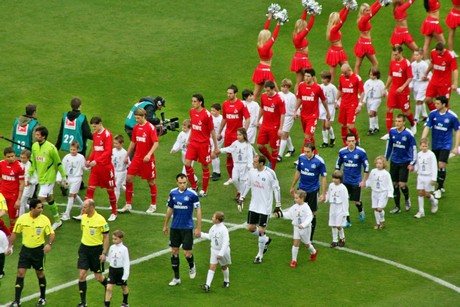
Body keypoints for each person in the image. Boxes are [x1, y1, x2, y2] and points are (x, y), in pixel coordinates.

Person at [6, 198, 55, 307]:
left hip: (38, 251)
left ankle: (42, 298)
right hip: (26, 250)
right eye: (38, 208)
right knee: (20, 273)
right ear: (32, 208)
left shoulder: (44, 220)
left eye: (42, 207)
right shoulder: (22, 219)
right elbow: (15, 233)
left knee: (40, 273)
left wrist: (49, 244)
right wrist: (10, 246)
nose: (41, 209)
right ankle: (17, 301)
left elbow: (51, 234)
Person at [239, 155, 281, 264]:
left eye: (255, 162)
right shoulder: (252, 172)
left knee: (261, 230)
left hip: (265, 207)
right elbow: (248, 185)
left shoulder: (270, 173)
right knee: (250, 227)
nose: (253, 163)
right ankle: (266, 240)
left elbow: (276, 188)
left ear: (261, 163)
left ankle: (260, 255)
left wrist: (278, 204)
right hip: (254, 205)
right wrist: (242, 197)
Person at [163, 173, 202, 286]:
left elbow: (198, 211)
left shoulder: (192, 194)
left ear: (187, 182)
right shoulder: (173, 193)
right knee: (174, 252)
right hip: (175, 227)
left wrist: (198, 228)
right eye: (180, 183)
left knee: (187, 253)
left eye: (184, 183)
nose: (182, 185)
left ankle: (191, 265)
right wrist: (165, 225)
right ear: (177, 183)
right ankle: (176, 278)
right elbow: (170, 209)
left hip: (187, 228)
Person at [118, 108, 159, 215]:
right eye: (135, 118)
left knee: (151, 182)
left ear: (144, 116)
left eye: (138, 118)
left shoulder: (150, 128)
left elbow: (156, 143)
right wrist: (127, 156)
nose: (136, 120)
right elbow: (133, 142)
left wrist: (149, 155)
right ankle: (128, 204)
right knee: (129, 179)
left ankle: (153, 205)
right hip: (137, 158)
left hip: (148, 160)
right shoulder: (136, 128)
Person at [76, 117, 117, 222]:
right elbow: (95, 150)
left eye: (95, 126)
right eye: (92, 126)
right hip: (96, 169)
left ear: (100, 124)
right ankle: (83, 213)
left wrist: (97, 161)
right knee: (90, 190)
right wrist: (89, 160)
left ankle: (114, 212)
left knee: (110, 191)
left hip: (106, 168)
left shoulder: (107, 134)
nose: (94, 128)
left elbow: (107, 152)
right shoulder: (95, 134)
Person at [421, 96, 460, 199]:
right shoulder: (433, 114)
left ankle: (438, 189)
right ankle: (441, 185)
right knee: (435, 165)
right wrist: (422, 139)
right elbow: (427, 126)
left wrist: (456, 146)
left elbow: (457, 131)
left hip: (446, 144)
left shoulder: (452, 116)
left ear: (443, 104)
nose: (435, 105)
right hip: (435, 144)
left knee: (441, 164)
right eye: (435, 103)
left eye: (438, 103)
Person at [28, 126, 66, 230]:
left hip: (49, 178)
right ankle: (58, 220)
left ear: (43, 136)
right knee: (49, 198)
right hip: (41, 178)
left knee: (38, 202)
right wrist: (29, 174)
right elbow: (33, 161)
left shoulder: (51, 148)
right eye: (36, 134)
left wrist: (64, 176)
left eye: (38, 135)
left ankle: (36, 222)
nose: (36, 136)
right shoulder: (35, 146)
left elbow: (58, 163)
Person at [289, 142, 327, 241]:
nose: (306, 153)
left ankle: (310, 238)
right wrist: (292, 186)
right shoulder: (301, 158)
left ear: (313, 151)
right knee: (298, 209)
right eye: (305, 151)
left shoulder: (319, 161)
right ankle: (299, 232)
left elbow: (323, 177)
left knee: (312, 213)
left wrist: (323, 193)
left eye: (308, 152)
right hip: (301, 189)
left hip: (313, 190)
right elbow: (298, 172)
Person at [184, 94, 219, 197]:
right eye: (192, 101)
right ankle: (194, 186)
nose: (193, 103)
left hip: (203, 144)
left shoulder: (207, 115)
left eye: (195, 101)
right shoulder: (192, 112)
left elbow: (212, 131)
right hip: (193, 143)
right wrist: (189, 140)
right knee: (187, 163)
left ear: (200, 103)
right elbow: (194, 128)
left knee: (204, 166)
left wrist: (216, 146)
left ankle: (204, 190)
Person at [77, 199, 110, 307]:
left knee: (98, 277)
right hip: (84, 249)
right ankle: (83, 302)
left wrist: (104, 253)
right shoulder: (84, 217)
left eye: (85, 207)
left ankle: (108, 285)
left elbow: (106, 237)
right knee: (82, 275)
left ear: (91, 207)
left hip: (96, 250)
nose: (83, 209)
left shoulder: (101, 220)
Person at [273, 189, 318, 267]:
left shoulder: (306, 207)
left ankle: (314, 252)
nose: (295, 199)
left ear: (302, 198)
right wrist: (281, 215)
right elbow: (289, 214)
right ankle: (294, 260)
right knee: (295, 243)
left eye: (296, 198)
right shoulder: (294, 207)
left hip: (305, 229)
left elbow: (310, 217)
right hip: (296, 227)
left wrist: (303, 225)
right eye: (295, 198)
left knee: (307, 244)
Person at [385, 114, 417, 213]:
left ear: (404, 122)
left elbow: (414, 149)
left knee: (402, 184)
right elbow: (389, 146)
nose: (397, 123)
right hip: (394, 161)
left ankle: (407, 199)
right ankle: (397, 207)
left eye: (399, 121)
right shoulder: (392, 131)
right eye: (396, 121)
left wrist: (412, 163)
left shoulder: (408, 134)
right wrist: (385, 158)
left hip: (404, 162)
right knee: (394, 184)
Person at [218, 85, 250, 185]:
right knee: (228, 155)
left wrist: (244, 131)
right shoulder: (225, 104)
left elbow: (248, 118)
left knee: (240, 156)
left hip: (238, 136)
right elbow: (224, 118)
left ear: (235, 93)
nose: (229, 95)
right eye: (228, 93)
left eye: (231, 93)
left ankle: (243, 177)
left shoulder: (241, 104)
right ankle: (231, 177)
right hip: (228, 134)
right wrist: (219, 132)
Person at [382, 45, 416, 140]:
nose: (394, 56)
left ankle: (413, 124)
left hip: (403, 91)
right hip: (394, 89)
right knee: (389, 109)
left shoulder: (406, 63)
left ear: (401, 53)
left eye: (396, 54)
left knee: (405, 112)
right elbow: (390, 76)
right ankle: (390, 133)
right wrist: (385, 88)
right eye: (393, 54)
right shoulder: (392, 63)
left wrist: (402, 87)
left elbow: (410, 77)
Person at [335, 133, 370, 226]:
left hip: (356, 181)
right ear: (346, 142)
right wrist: (337, 177)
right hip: (344, 181)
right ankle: (347, 221)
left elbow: (366, 166)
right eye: (349, 141)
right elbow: (337, 165)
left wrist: (363, 181)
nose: (351, 143)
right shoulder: (342, 152)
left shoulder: (361, 152)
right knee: (344, 201)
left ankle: (360, 210)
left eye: (352, 141)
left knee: (356, 201)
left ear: (355, 141)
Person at [219, 128, 255, 205]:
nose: (238, 136)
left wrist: (250, 166)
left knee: (242, 180)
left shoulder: (247, 145)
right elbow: (229, 149)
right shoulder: (235, 143)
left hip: (244, 165)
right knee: (234, 179)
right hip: (236, 164)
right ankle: (240, 191)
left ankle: (241, 197)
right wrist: (220, 150)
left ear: (244, 135)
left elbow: (250, 156)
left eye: (240, 135)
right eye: (237, 135)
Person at [295, 69, 329, 150]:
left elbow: (323, 100)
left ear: (313, 77)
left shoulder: (317, 88)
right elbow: (300, 99)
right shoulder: (301, 85)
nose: (306, 78)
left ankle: (303, 156)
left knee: (307, 136)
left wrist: (328, 112)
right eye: (305, 76)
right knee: (309, 136)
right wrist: (295, 111)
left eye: (308, 76)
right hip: (303, 115)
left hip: (313, 116)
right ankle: (315, 153)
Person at [257, 80, 286, 170]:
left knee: (274, 148)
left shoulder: (279, 99)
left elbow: (282, 114)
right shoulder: (263, 96)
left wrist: (280, 128)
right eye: (266, 90)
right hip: (265, 125)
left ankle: (271, 170)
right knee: (259, 145)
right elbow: (262, 108)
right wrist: (258, 120)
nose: (267, 92)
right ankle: (270, 160)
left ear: (273, 89)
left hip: (274, 127)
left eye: (269, 90)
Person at [252, 12, 281, 102]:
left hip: (259, 69)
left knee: (255, 95)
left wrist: (269, 18)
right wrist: (278, 23)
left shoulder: (259, 45)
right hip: (266, 71)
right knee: (277, 92)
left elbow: (264, 30)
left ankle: (252, 111)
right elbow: (274, 36)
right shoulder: (266, 47)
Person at [200, 211, 231, 292]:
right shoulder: (213, 227)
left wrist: (221, 253)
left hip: (223, 251)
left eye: (213, 217)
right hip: (214, 250)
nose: (212, 218)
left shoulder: (224, 229)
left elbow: (226, 242)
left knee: (224, 266)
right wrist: (200, 234)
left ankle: (226, 281)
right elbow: (209, 236)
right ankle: (207, 285)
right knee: (212, 267)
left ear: (217, 219)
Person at [423, 42, 458, 111]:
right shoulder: (433, 52)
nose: (440, 54)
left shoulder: (450, 56)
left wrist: (455, 83)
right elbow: (432, 64)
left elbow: (455, 70)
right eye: (438, 53)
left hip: (445, 83)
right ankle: (436, 114)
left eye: (441, 52)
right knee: (428, 99)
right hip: (434, 81)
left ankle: (447, 118)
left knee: (444, 104)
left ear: (443, 49)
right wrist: (426, 74)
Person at [335, 64, 364, 146]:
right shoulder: (341, 77)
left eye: (345, 73)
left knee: (350, 126)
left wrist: (360, 105)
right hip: (343, 104)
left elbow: (362, 92)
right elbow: (340, 90)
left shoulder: (357, 78)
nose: (344, 75)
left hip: (352, 105)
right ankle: (345, 144)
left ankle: (357, 139)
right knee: (343, 125)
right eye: (343, 73)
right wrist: (336, 101)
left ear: (349, 70)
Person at [58, 141, 86, 221]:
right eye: (71, 149)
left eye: (74, 150)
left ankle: (67, 214)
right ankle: (83, 205)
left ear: (78, 149)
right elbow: (62, 168)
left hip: (77, 178)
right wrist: (60, 178)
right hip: (69, 178)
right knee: (74, 194)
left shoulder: (81, 157)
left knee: (71, 195)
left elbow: (84, 167)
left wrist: (88, 166)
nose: (72, 151)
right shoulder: (67, 157)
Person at [354, 1, 383, 75]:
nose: (368, 11)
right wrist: (380, 4)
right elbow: (372, 14)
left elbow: (371, 9)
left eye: (368, 10)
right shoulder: (363, 20)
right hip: (366, 44)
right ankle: (373, 77)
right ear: (362, 11)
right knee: (375, 63)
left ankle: (356, 81)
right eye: (366, 10)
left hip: (361, 43)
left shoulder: (362, 18)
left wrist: (378, 1)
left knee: (357, 65)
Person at [0, 147, 25, 231]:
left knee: (12, 218)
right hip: (2, 194)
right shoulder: (1, 164)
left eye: (12, 156)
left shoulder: (20, 166)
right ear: (5, 157)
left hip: (13, 196)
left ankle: (11, 236)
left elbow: (22, 183)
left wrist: (19, 199)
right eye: (8, 157)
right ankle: (6, 232)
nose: (11, 158)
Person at [366, 156, 394, 229]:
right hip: (374, 192)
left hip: (383, 192)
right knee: (375, 208)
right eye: (377, 163)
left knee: (379, 208)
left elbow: (389, 184)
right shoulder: (373, 171)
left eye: (380, 163)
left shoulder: (386, 174)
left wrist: (390, 194)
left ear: (383, 164)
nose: (378, 165)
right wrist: (365, 184)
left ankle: (382, 220)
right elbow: (370, 180)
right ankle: (378, 223)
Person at [291, 9, 315, 91]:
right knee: (312, 78)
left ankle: (297, 97)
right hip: (302, 59)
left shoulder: (295, 34)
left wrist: (306, 9)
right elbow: (310, 26)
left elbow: (303, 20)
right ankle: (314, 95)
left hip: (297, 58)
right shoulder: (300, 36)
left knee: (299, 81)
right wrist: (313, 15)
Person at [326, 3, 350, 83]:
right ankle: (329, 92)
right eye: (337, 18)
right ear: (335, 19)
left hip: (337, 51)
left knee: (346, 70)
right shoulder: (334, 29)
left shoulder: (332, 27)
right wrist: (347, 10)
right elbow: (342, 21)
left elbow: (340, 15)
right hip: (336, 52)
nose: (339, 18)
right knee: (333, 75)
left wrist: (345, 7)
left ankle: (351, 87)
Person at [414, 138, 439, 218]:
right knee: (420, 192)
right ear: (420, 146)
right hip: (421, 176)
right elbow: (417, 165)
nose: (424, 148)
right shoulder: (418, 155)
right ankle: (421, 211)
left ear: (428, 146)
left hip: (428, 176)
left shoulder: (431, 155)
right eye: (423, 146)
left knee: (427, 194)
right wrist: (413, 169)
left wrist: (434, 178)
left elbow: (434, 166)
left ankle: (434, 201)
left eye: (426, 146)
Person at [104, 230, 130, 307]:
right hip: (112, 270)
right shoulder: (112, 247)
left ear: (121, 239)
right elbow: (110, 259)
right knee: (108, 288)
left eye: (115, 239)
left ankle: (125, 303)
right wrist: (104, 258)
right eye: (113, 239)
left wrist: (125, 275)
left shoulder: (124, 249)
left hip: (120, 271)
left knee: (123, 287)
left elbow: (126, 262)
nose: (113, 240)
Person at [326, 170, 349, 248]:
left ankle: (342, 238)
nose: (334, 180)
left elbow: (345, 200)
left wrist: (345, 212)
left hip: (340, 208)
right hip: (333, 206)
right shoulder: (331, 185)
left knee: (338, 225)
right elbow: (328, 194)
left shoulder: (343, 188)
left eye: (336, 178)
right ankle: (334, 240)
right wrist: (325, 199)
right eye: (333, 178)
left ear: (340, 179)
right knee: (333, 224)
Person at [278, 79, 297, 160]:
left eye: (285, 87)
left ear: (289, 87)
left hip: (289, 116)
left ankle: (279, 155)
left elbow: (296, 106)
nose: (283, 88)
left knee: (283, 134)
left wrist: (296, 114)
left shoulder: (292, 96)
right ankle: (291, 149)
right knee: (285, 134)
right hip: (280, 117)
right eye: (282, 86)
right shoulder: (278, 94)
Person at [363, 67, 385, 135]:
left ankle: (371, 128)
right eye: (370, 74)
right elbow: (364, 92)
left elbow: (384, 90)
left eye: (373, 75)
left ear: (376, 75)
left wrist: (386, 94)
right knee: (374, 113)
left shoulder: (380, 82)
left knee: (371, 113)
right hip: (369, 99)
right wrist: (363, 101)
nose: (371, 76)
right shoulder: (367, 82)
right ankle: (376, 127)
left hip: (377, 99)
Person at [319, 71, 338, 148]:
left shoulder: (332, 87)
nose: (322, 80)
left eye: (324, 79)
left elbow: (337, 96)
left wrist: (337, 103)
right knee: (323, 125)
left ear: (328, 79)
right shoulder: (320, 87)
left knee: (327, 125)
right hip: (322, 106)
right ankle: (325, 141)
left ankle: (333, 137)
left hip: (330, 106)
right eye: (322, 79)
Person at [410, 48, 430, 122]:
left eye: (417, 55)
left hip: (423, 84)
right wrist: (411, 84)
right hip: (416, 83)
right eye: (414, 55)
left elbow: (430, 76)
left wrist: (426, 78)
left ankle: (416, 118)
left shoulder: (425, 65)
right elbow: (411, 75)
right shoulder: (413, 64)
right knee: (419, 100)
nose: (415, 56)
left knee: (418, 100)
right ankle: (425, 115)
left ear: (421, 56)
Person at [18, 149, 37, 216]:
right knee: (23, 202)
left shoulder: (31, 167)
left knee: (21, 202)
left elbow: (36, 179)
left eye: (24, 158)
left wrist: (30, 182)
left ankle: (21, 218)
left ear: (28, 158)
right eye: (21, 157)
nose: (22, 160)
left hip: (28, 188)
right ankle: (35, 210)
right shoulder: (19, 164)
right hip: (21, 187)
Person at [112, 135, 129, 203]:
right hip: (114, 171)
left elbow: (128, 163)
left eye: (117, 143)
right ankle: (129, 192)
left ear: (121, 143)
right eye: (114, 143)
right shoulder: (113, 151)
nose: (115, 145)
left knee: (116, 187)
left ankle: (114, 204)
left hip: (121, 172)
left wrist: (126, 162)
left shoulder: (124, 153)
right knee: (117, 185)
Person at [210, 104, 224, 181]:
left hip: (218, 138)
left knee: (213, 154)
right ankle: (216, 172)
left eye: (214, 111)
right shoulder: (210, 117)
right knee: (213, 155)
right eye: (211, 110)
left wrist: (220, 135)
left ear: (218, 111)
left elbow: (224, 129)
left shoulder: (221, 119)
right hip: (211, 138)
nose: (212, 112)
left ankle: (217, 173)